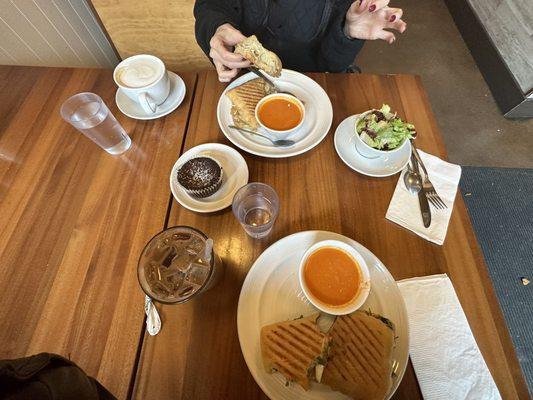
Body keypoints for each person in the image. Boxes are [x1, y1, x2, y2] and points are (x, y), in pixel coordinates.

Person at [194, 0, 406, 82]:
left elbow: (331, 67)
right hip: (243, 81)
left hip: (314, 87)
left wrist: (348, 33)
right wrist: (217, 28)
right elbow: (210, 6)